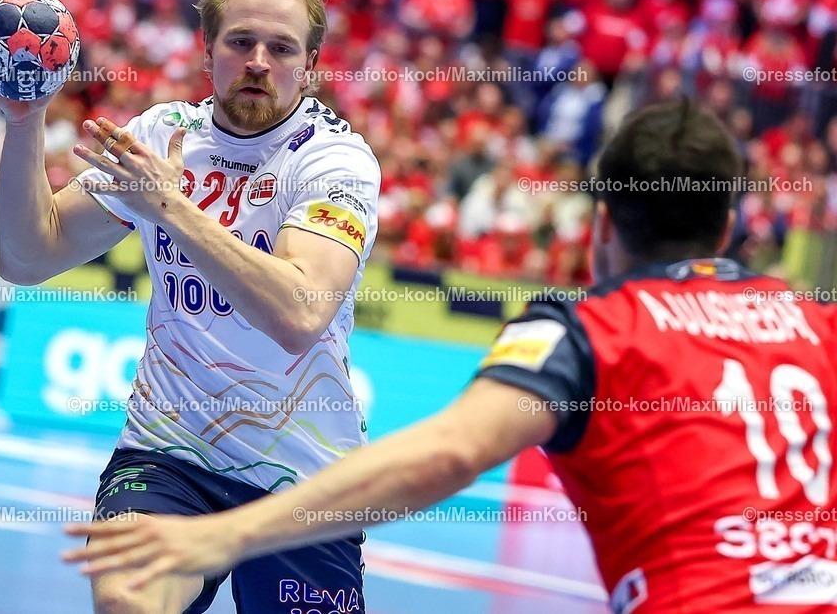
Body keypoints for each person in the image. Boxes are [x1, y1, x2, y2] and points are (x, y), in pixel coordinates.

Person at [64, 99, 837, 613]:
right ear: (732, 222)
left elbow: (450, 450)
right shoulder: (819, 325)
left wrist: (223, 535)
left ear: (602, 223)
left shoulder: (596, 332)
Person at [0, 0, 380, 614]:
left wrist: (171, 207)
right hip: (169, 450)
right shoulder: (163, 135)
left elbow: (299, 312)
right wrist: (26, 120)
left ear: (310, 64)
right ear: (208, 48)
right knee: (129, 604)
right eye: (241, 40)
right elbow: (29, 256)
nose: (259, 59)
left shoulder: (336, 162)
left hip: (302, 478)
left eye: (282, 47)